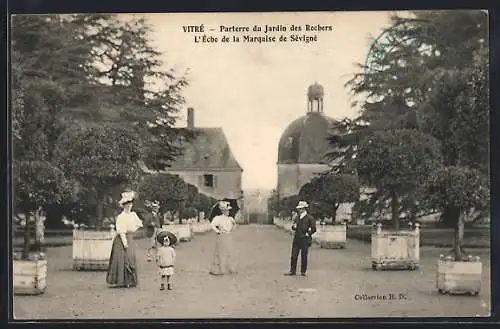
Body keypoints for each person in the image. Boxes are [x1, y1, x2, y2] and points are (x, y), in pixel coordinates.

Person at [106, 191, 143, 288]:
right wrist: (124, 242)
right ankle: (122, 281)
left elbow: (139, 224)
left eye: (130, 204)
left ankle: (131, 280)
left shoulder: (133, 215)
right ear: (123, 205)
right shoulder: (121, 217)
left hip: (130, 237)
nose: (129, 206)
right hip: (121, 239)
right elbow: (121, 230)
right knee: (123, 259)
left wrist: (133, 229)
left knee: (130, 258)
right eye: (127, 204)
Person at [284, 201, 317, 276]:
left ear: (304, 209)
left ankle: (303, 271)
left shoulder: (309, 218)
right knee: (294, 255)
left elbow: (314, 228)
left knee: (304, 255)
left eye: (301, 208)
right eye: (299, 209)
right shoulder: (297, 217)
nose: (300, 210)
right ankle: (292, 271)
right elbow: (293, 226)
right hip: (297, 238)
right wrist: (294, 227)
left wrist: (308, 233)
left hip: (305, 239)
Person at [209, 200, 237, 275]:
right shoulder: (218, 218)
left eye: (228, 210)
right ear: (222, 211)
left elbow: (233, 228)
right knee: (220, 252)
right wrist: (218, 231)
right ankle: (219, 270)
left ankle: (229, 268)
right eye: (226, 210)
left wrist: (233, 226)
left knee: (229, 252)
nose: (228, 212)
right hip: (221, 236)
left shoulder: (230, 219)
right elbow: (212, 225)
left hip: (228, 236)